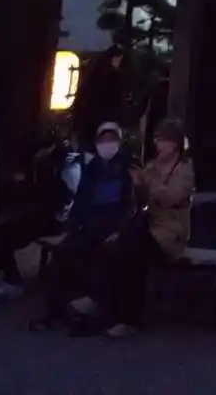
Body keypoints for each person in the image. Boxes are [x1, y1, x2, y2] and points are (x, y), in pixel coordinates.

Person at [69, 118, 195, 338]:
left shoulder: (183, 169)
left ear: (174, 143)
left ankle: (129, 318)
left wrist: (148, 185)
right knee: (111, 248)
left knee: (131, 253)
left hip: (169, 232)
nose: (158, 145)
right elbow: (140, 195)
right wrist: (137, 184)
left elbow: (173, 196)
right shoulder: (152, 165)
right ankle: (100, 302)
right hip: (148, 225)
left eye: (163, 140)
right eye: (157, 140)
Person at [0, 130, 82, 305]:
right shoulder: (45, 164)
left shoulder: (68, 165)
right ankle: (9, 280)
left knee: (5, 237)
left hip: (58, 220)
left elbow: (66, 197)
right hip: (43, 216)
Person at [29, 120, 135, 331]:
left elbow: (130, 205)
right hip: (89, 225)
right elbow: (82, 200)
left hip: (113, 226)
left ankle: (93, 317)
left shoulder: (128, 168)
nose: (107, 143)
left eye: (112, 138)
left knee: (101, 259)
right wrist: (72, 226)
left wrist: (120, 230)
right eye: (103, 139)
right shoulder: (92, 168)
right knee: (62, 255)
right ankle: (54, 312)